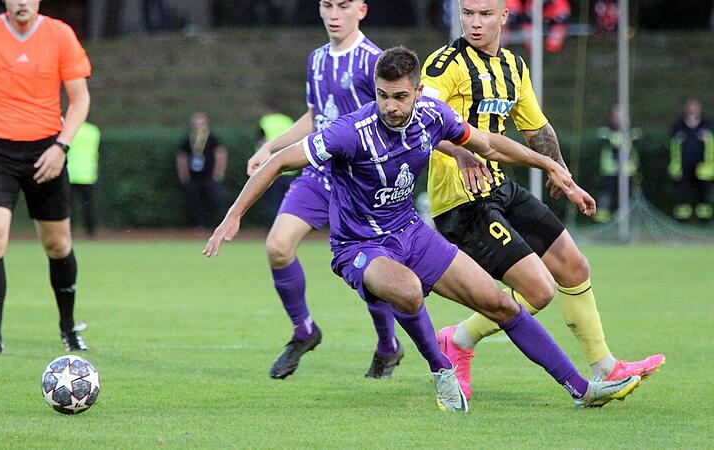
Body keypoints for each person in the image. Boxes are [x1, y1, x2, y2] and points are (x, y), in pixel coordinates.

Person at [205, 47, 641, 412]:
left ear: (417, 91)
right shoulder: (349, 133)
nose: (390, 106)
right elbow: (281, 160)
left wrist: (548, 163)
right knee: (409, 290)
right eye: (382, 96)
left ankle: (582, 391)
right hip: (360, 246)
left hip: (411, 232)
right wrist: (234, 214)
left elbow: (487, 145)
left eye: (398, 96)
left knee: (499, 304)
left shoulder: (433, 115)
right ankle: (440, 369)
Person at [420, 0, 664, 400]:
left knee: (573, 266)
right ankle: (460, 340)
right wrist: (461, 152)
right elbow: (421, 116)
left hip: (499, 186)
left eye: (484, 14)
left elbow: (539, 130)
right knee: (539, 290)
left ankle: (605, 366)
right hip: (461, 199)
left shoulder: (514, 67)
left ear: (504, 16)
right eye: (468, 13)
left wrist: (564, 177)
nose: (475, 22)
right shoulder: (446, 64)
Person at [245, 0, 405, 380]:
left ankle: (387, 346)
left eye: (343, 6)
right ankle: (304, 331)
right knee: (277, 247)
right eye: (327, 5)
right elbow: (316, 117)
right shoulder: (317, 58)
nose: (334, 14)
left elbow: (395, 117)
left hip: (362, 182)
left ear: (362, 10)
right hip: (320, 175)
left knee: (372, 272)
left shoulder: (376, 61)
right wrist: (271, 148)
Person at [0, 0, 92, 354]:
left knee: (57, 245)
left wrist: (61, 147)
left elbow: (80, 98)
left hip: (47, 150)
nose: (21, 2)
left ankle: (68, 328)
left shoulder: (59, 35)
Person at [176, 111, 228, 230]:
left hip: (209, 175)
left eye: (201, 123)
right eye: (196, 123)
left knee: (216, 200)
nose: (199, 126)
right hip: (194, 177)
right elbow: (182, 156)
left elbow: (220, 153)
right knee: (195, 201)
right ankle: (199, 225)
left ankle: (222, 225)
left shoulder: (212, 138)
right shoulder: (188, 139)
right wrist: (183, 173)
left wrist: (219, 172)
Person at [668, 98, 714, 222]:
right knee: (683, 194)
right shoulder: (679, 126)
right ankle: (682, 221)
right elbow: (671, 145)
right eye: (690, 107)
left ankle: (704, 221)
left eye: (695, 107)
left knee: (703, 195)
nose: (692, 109)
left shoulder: (707, 125)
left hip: (703, 167)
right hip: (683, 166)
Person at [593, 104, 641, 223]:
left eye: (622, 115)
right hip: (610, 171)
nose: (618, 118)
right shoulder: (605, 130)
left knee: (627, 198)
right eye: (616, 114)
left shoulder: (633, 131)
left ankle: (625, 222)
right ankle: (602, 223)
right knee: (607, 196)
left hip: (628, 171)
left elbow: (637, 142)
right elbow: (605, 142)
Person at [256, 103, 295, 224]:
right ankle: (289, 226)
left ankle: (274, 227)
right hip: (291, 167)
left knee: (273, 202)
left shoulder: (265, 121)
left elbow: (261, 141)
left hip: (271, 167)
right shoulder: (287, 120)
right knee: (289, 201)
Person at [67, 121, 101, 237]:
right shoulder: (93, 131)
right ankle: (90, 232)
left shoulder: (68, 128)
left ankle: (68, 231)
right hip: (88, 173)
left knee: (69, 206)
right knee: (88, 205)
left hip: (70, 173)